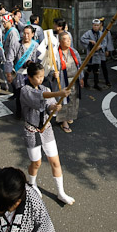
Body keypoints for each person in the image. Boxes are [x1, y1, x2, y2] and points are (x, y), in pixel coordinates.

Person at [20, 62, 74, 204]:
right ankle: (32, 184)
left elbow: (49, 105)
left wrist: (54, 107)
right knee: (36, 163)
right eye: (38, 77)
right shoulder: (25, 90)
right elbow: (39, 97)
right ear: (30, 78)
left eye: (43, 76)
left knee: (55, 162)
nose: (41, 79)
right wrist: (59, 93)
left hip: (47, 129)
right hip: (32, 131)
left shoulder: (45, 88)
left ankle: (61, 192)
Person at [52, 31, 83, 133]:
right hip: (62, 81)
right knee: (63, 101)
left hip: (74, 80)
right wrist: (53, 73)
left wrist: (81, 78)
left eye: (69, 39)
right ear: (60, 41)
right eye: (65, 39)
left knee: (74, 100)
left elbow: (80, 66)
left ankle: (70, 116)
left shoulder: (74, 51)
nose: (68, 41)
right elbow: (50, 68)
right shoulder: (55, 54)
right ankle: (63, 121)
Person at [8, 25, 39, 118]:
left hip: (31, 73)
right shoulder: (16, 44)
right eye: (24, 33)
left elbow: (39, 59)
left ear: (32, 34)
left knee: (32, 93)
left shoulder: (35, 45)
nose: (26, 36)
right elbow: (9, 59)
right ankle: (19, 111)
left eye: (28, 34)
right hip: (20, 73)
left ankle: (30, 112)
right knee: (19, 93)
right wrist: (8, 73)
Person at [80, 19, 105, 90]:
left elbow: (104, 43)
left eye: (97, 25)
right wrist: (89, 41)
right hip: (91, 54)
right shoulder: (89, 32)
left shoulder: (101, 33)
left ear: (100, 25)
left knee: (96, 70)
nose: (96, 27)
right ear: (92, 25)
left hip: (98, 54)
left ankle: (96, 84)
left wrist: (100, 46)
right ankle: (85, 82)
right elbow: (82, 39)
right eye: (94, 25)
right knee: (89, 69)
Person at [99, 18, 113, 87]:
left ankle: (107, 80)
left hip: (103, 50)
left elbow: (109, 40)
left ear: (101, 24)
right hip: (96, 51)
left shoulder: (106, 31)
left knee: (103, 66)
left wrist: (107, 50)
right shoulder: (95, 31)